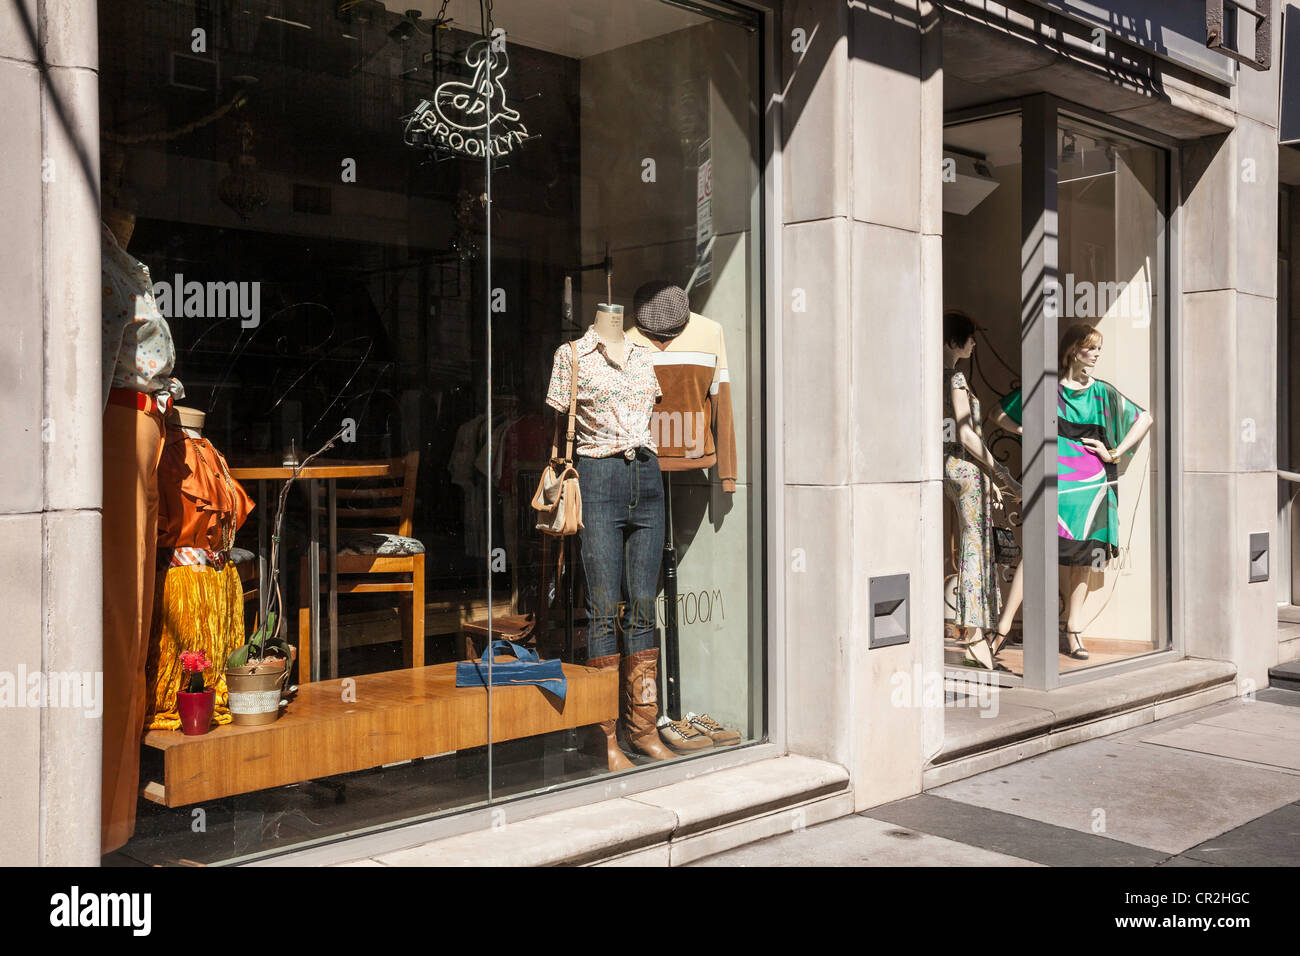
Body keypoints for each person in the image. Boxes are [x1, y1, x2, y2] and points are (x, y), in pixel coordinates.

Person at [989, 322, 1153, 660]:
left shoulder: (1102, 392)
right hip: (1055, 484)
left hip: (1092, 487)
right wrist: (1029, 432)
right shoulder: (1047, 388)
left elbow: (1145, 418)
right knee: (1035, 552)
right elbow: (997, 414)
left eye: (1098, 349)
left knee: (1084, 556)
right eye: (1090, 348)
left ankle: (1073, 630)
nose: (1095, 355)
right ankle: (1002, 628)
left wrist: (1116, 453)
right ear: (1071, 350)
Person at [942, 311, 1020, 669]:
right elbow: (966, 433)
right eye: (969, 337)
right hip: (964, 468)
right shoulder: (954, 377)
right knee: (976, 546)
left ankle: (974, 636)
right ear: (953, 341)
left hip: (949, 468)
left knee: (970, 544)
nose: (974, 344)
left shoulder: (932, 377)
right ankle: (975, 639)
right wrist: (998, 470)